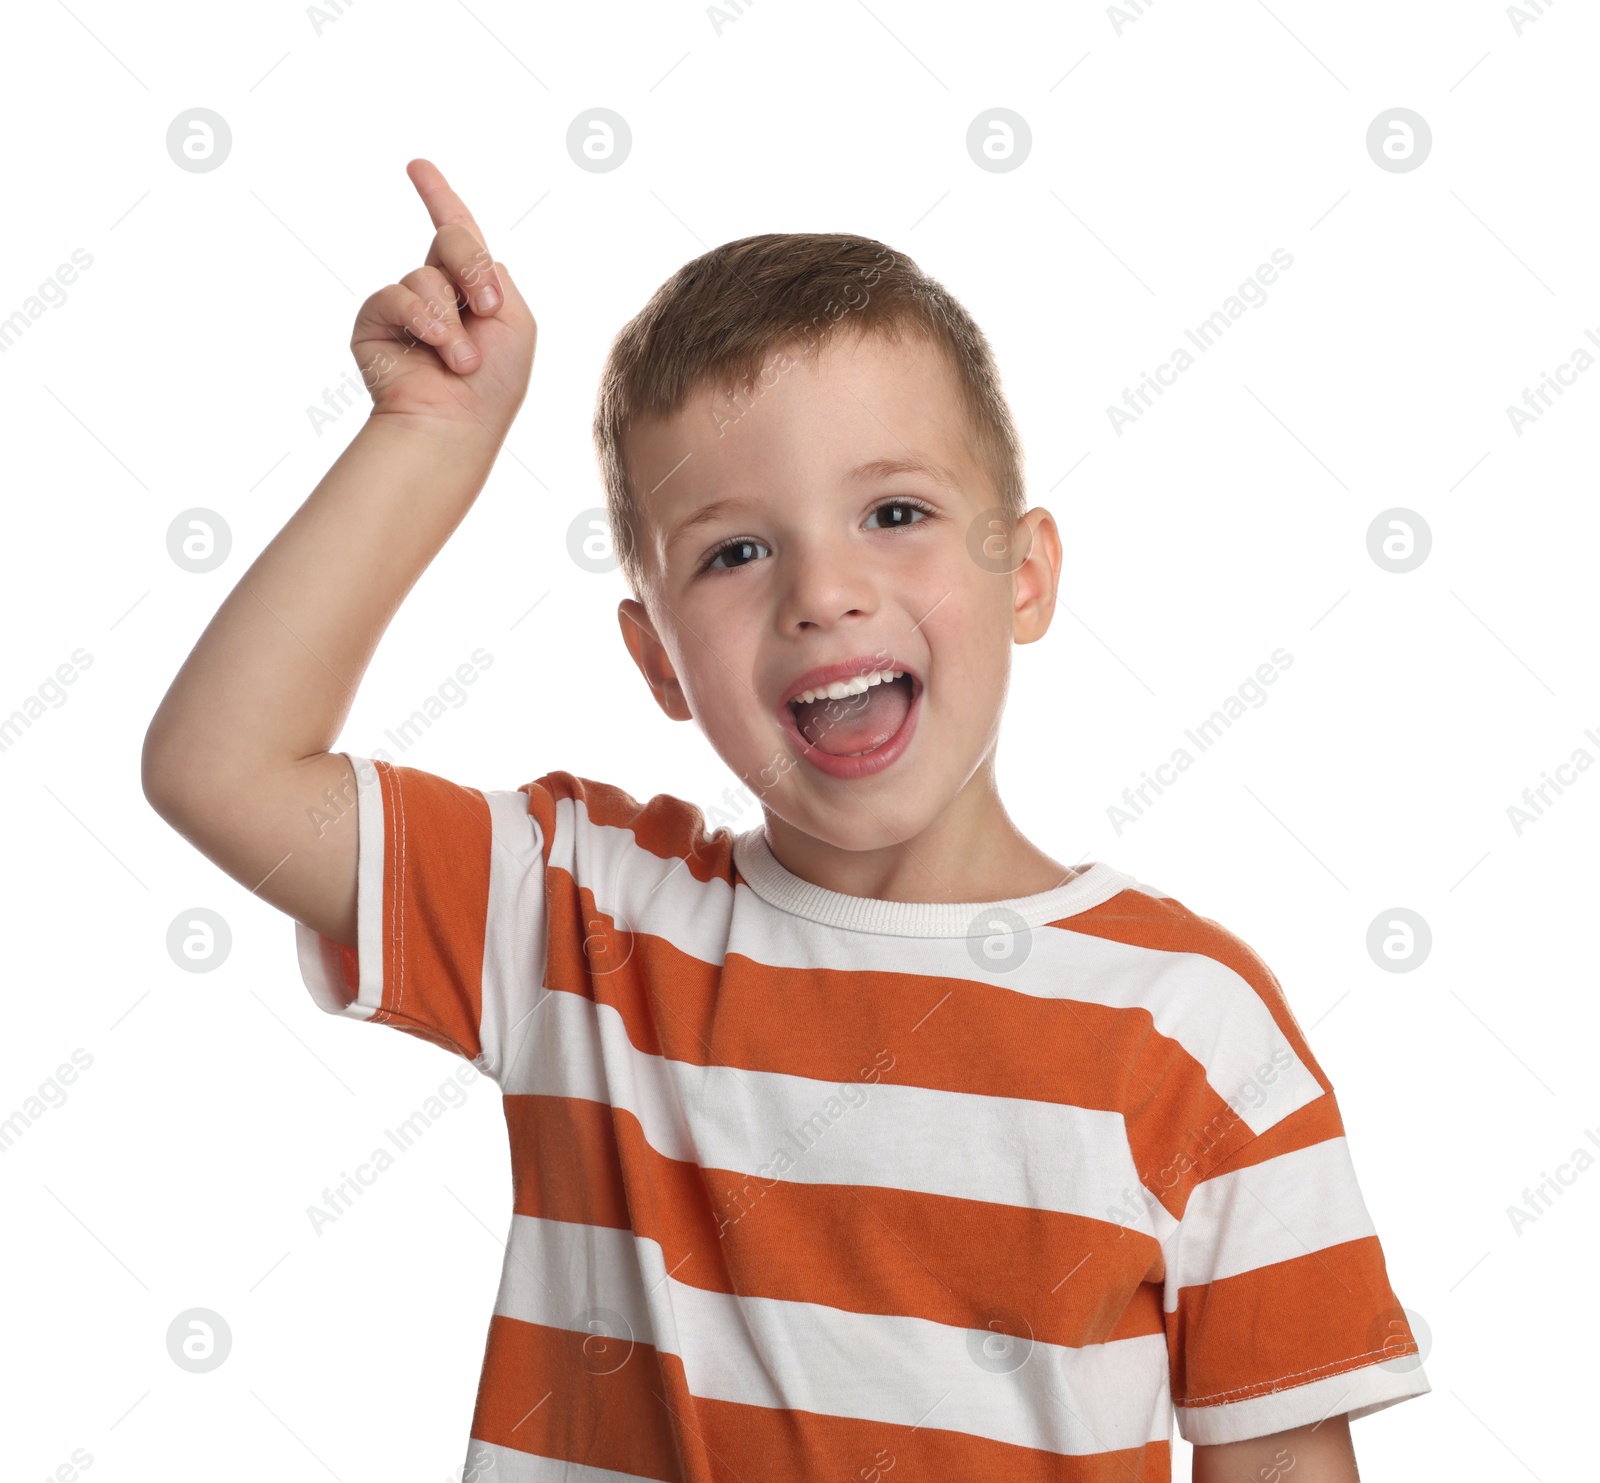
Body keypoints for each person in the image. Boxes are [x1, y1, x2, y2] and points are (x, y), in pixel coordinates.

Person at [142, 157, 1429, 1482]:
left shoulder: (1199, 1034)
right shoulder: (579, 921)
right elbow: (219, 769)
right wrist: (433, 436)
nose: (824, 590)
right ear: (658, 663)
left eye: (895, 512)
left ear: (1026, 573)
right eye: (735, 551)